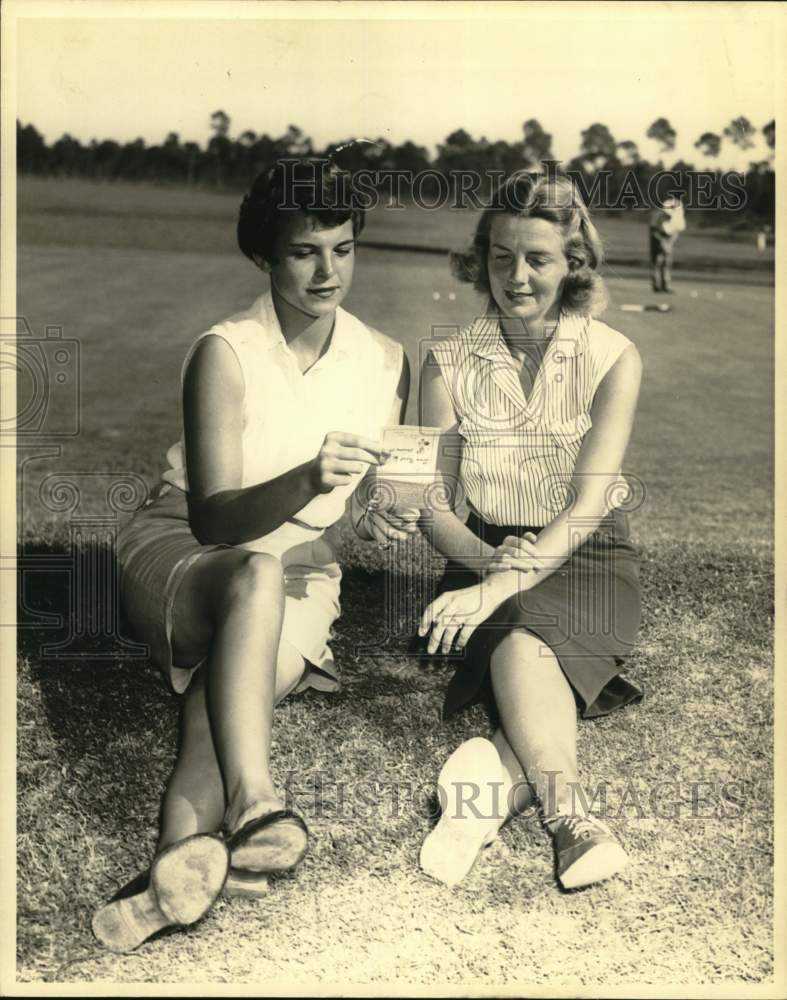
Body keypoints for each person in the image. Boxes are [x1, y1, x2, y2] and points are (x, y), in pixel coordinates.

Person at [92, 158, 415, 952]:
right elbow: (215, 517)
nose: (326, 270)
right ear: (266, 258)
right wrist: (308, 476)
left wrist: (370, 519)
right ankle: (257, 801)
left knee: (223, 706)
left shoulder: (385, 360)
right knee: (256, 570)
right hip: (184, 551)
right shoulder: (225, 352)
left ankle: (169, 877)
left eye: (342, 249)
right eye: (305, 251)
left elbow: (360, 508)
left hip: (302, 569)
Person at [416, 171, 643, 891]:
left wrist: (494, 591)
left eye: (537, 259)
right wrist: (487, 567)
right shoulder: (446, 360)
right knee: (521, 639)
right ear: (479, 259)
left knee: (518, 632)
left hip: (589, 555)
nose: (517, 277)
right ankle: (573, 821)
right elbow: (431, 507)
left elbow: (585, 506)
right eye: (501, 257)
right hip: (481, 549)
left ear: (571, 264)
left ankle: (494, 800)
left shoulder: (613, 356)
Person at [649, 195, 685, 293]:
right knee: (658, 261)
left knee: (667, 262)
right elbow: (653, 231)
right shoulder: (657, 216)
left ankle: (666, 285)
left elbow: (675, 232)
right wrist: (662, 243)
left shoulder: (678, 215)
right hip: (657, 237)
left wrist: (669, 244)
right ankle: (656, 285)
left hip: (669, 238)